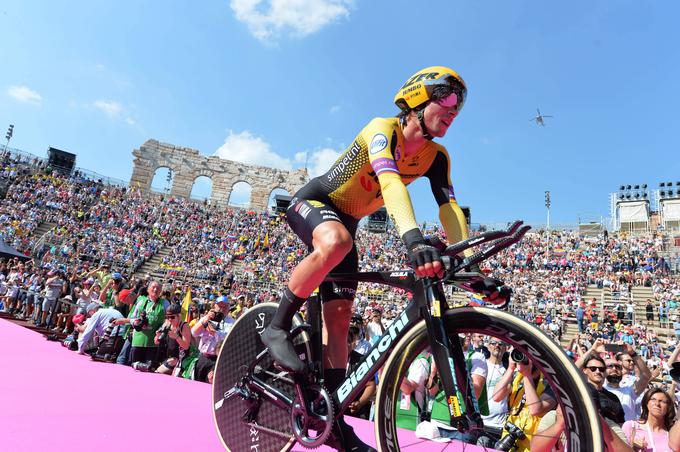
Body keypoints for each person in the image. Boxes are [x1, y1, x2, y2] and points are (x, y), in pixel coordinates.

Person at [260, 66, 508, 451]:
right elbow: (390, 182)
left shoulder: (437, 156)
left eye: (459, 106)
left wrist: (471, 265)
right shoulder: (382, 129)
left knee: (339, 320)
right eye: (446, 99)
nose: (454, 110)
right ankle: (277, 324)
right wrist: (412, 241)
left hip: (348, 224)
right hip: (314, 203)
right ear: (416, 101)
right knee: (338, 240)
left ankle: (332, 417)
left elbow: (450, 210)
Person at [622, 387, 675, 452]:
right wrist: (632, 446)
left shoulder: (672, 433)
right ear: (647, 403)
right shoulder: (631, 426)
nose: (657, 404)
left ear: (668, 407)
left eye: (662, 401)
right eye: (653, 399)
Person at [154, 303, 193, 376]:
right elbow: (156, 342)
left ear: (179, 316)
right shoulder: (167, 324)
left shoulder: (184, 326)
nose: (169, 319)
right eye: (167, 317)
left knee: (157, 373)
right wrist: (157, 336)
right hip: (167, 358)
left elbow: (186, 346)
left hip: (180, 360)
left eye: (172, 317)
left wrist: (177, 337)